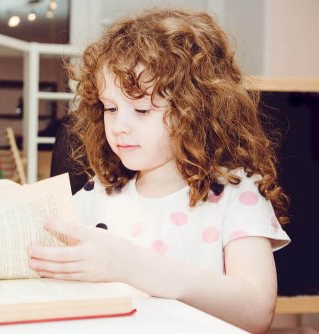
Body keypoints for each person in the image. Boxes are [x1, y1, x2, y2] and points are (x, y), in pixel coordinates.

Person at [27, 8, 290, 333]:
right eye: (110, 108)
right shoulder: (98, 195)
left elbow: (257, 311)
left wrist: (130, 264)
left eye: (141, 109)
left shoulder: (237, 194)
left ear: (196, 111)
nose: (120, 126)